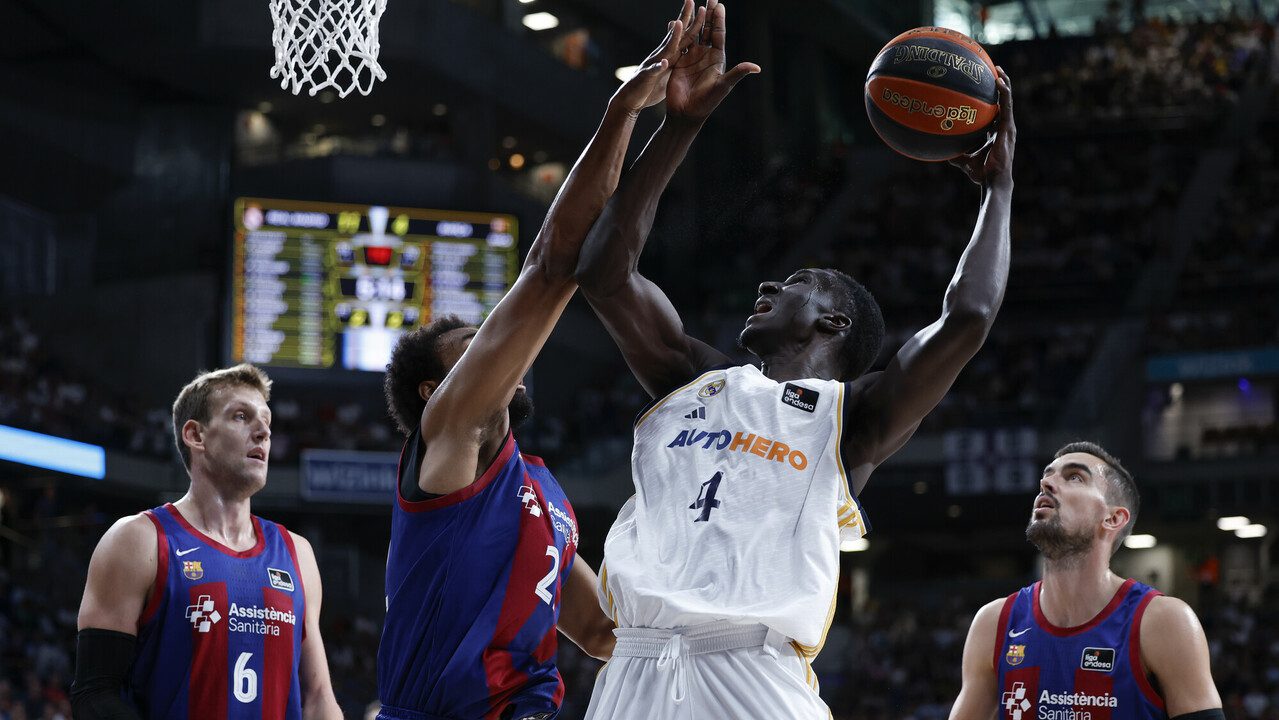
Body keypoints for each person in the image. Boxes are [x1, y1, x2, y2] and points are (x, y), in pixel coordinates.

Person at [572, 9, 1016, 715]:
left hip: (752, 673)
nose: (766, 288)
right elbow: (602, 272)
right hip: (634, 669)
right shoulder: (694, 382)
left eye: (793, 285)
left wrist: (996, 189)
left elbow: (966, 319)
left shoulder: (850, 421)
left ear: (832, 321)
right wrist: (677, 126)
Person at [372, 4, 752, 719]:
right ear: (434, 389)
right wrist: (627, 113)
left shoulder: (541, 492)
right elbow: (551, 266)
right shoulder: (448, 437)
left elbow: (602, 631)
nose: (494, 344)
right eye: (470, 347)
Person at [71, 364, 342, 719]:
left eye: (267, 422)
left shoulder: (297, 553)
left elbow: (319, 697)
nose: (263, 432)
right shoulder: (139, 540)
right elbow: (95, 694)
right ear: (196, 435)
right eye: (241, 417)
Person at [948, 442, 1224, 720]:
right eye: (1048, 475)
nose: (1046, 483)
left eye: (1074, 477)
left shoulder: (1164, 621)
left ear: (1113, 518)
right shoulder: (994, 623)